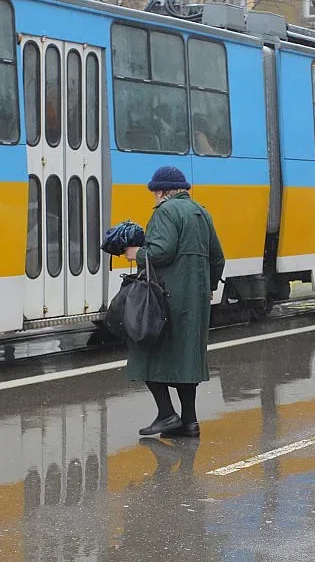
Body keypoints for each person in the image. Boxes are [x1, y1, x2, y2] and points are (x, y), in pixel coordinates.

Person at [125, 166, 225, 438]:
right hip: (196, 299)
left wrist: (137, 253)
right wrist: (210, 287)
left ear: (161, 191)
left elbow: (161, 251)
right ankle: (189, 421)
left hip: (167, 299)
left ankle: (167, 413)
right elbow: (218, 257)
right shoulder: (202, 213)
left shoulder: (166, 212)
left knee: (145, 349)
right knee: (186, 359)